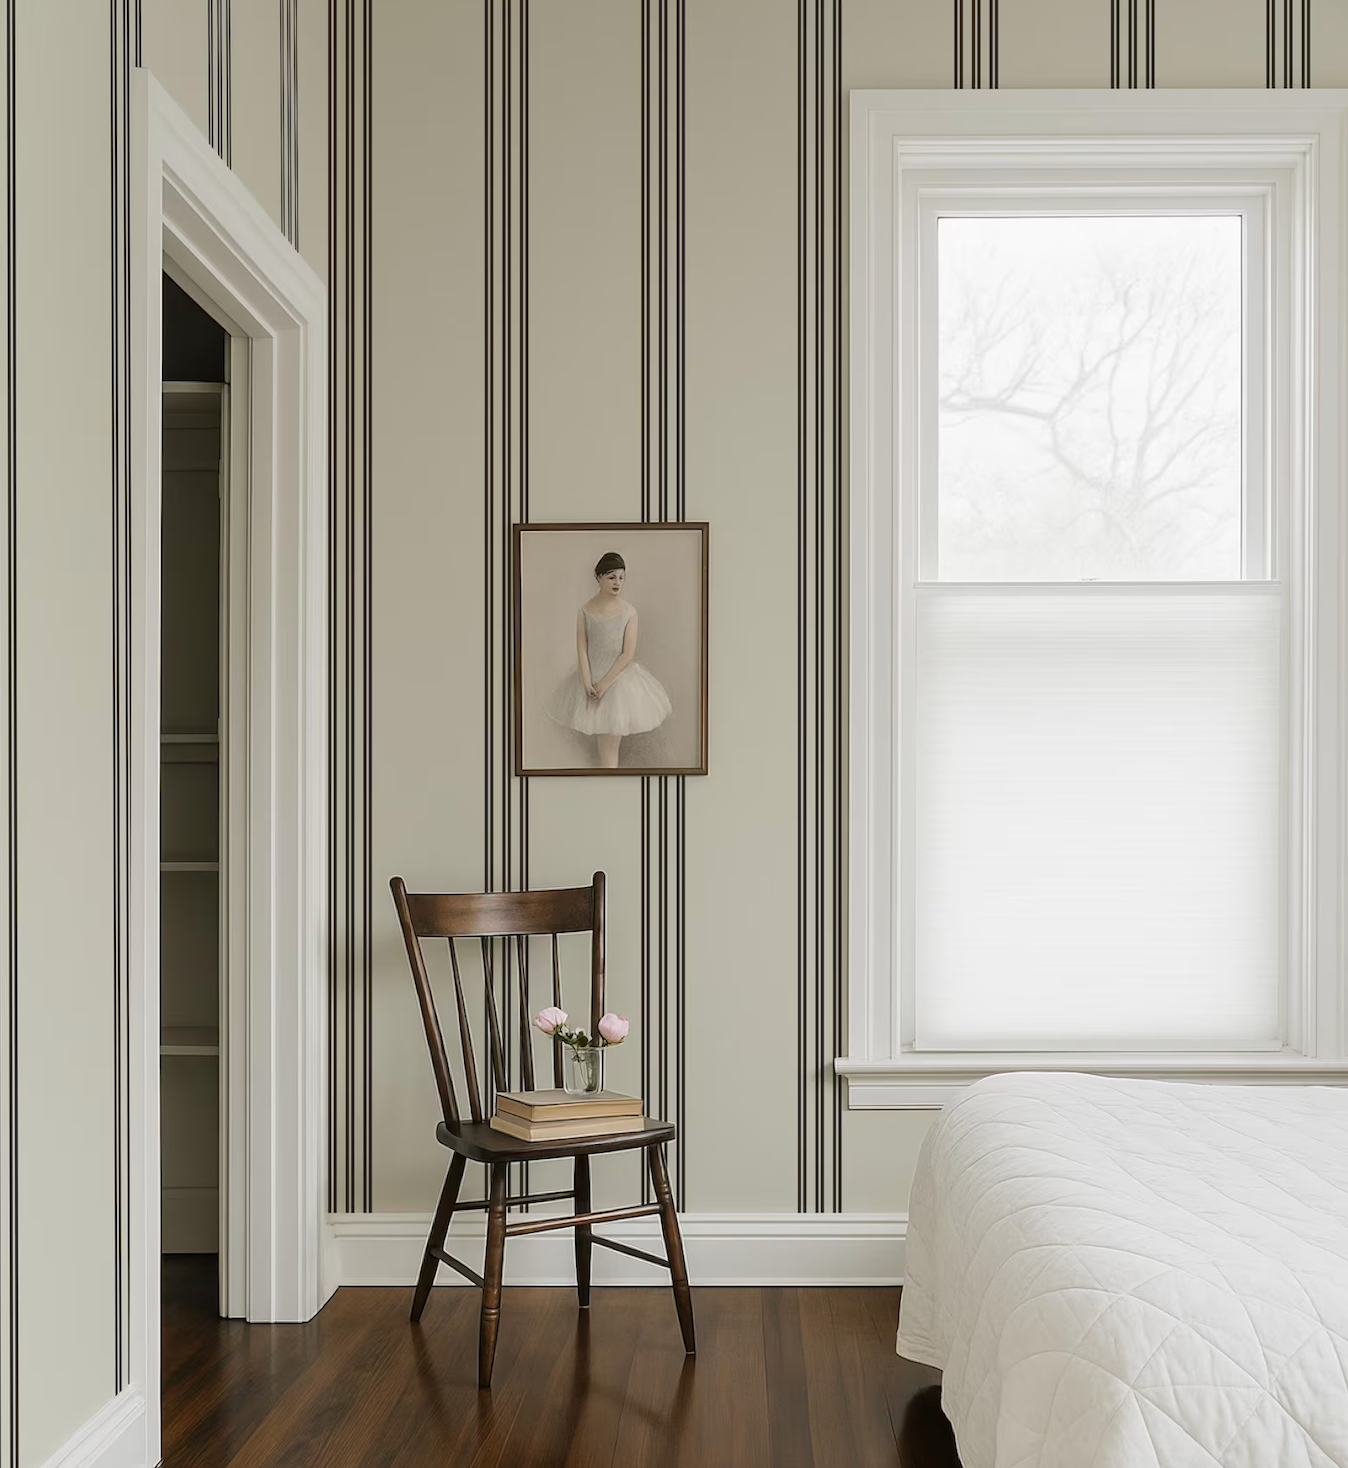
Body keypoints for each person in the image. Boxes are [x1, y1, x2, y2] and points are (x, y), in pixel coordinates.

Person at [546, 551, 671, 768]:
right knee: (601, 744)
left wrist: (603, 685)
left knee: (609, 744)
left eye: (621, 577)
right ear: (599, 578)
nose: (617, 582)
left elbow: (627, 654)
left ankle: (610, 783)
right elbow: (582, 649)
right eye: (611, 577)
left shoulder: (629, 612)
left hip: (618, 683)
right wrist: (587, 683)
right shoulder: (584, 610)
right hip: (589, 681)